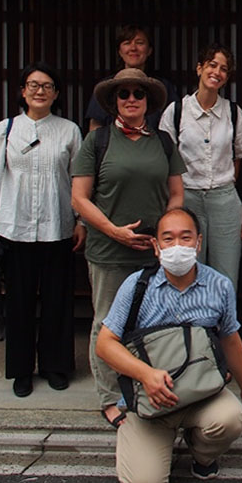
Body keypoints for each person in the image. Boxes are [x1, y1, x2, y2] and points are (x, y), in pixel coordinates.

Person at [96, 207, 242, 483]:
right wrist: (145, 375)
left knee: (232, 418)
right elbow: (105, 343)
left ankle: (201, 454)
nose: (177, 246)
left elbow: (230, 338)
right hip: (151, 402)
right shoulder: (136, 285)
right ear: (156, 246)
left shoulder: (219, 285)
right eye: (168, 239)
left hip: (202, 394)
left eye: (185, 238)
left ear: (199, 243)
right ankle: (152, 440)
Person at [72, 68, 186, 429]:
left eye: (139, 93)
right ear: (115, 101)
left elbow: (177, 193)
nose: (132, 99)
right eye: (124, 94)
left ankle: (148, 385)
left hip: (153, 250)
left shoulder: (163, 141)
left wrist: (166, 236)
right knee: (107, 322)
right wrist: (112, 231)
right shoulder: (98, 141)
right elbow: (79, 198)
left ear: (148, 101)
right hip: (109, 250)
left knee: (153, 320)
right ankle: (109, 397)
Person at [0, 62, 84, 397]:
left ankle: (55, 366)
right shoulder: (6, 129)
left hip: (57, 226)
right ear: (22, 91)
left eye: (47, 85)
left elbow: (78, 180)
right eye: (33, 85)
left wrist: (80, 221)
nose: (40, 91)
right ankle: (21, 370)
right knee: (19, 302)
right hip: (15, 227)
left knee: (57, 301)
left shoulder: (69, 130)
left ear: (56, 93)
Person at [159, 42, 242, 291]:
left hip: (224, 198)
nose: (217, 72)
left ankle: (225, 329)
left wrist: (226, 182)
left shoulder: (233, 112)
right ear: (199, 68)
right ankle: (193, 327)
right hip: (187, 196)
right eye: (212, 65)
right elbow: (165, 158)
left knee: (226, 272)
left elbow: (239, 155)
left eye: (223, 69)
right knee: (188, 269)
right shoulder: (176, 111)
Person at [85, 24, 178, 132]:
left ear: (149, 50)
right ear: (120, 51)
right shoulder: (107, 86)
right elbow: (96, 124)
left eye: (140, 43)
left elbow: (174, 122)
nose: (133, 48)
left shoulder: (162, 87)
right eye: (127, 43)